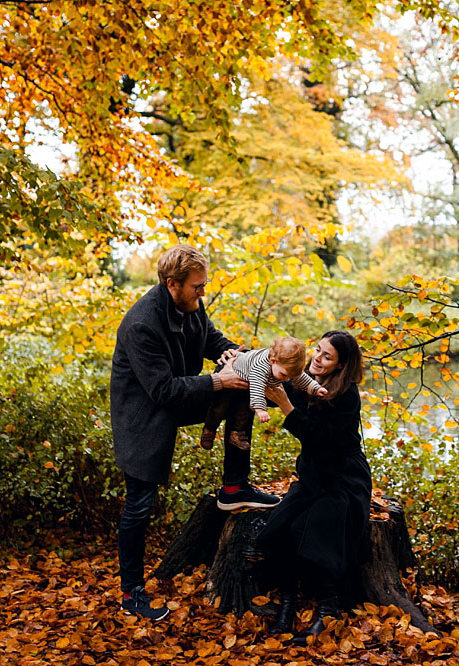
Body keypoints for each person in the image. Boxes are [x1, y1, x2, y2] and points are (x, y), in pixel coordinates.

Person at [110, 244, 280, 620]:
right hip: (143, 414)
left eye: (203, 286)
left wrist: (237, 355)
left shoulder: (190, 304)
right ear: (172, 284)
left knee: (241, 385)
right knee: (139, 504)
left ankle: (234, 488)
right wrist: (216, 381)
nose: (202, 293)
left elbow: (210, 340)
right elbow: (162, 391)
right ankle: (131, 593)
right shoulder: (141, 324)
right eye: (197, 287)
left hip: (182, 392)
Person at [256, 330, 370, 645]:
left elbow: (322, 442)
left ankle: (327, 608)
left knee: (309, 532)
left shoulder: (347, 394)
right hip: (313, 478)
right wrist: (245, 363)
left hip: (343, 479)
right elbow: (264, 383)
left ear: (341, 365)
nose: (317, 359)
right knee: (275, 531)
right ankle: (288, 605)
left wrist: (287, 408)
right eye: (317, 350)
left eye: (326, 356)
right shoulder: (302, 381)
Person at [200, 336, 328, 452]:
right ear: (273, 361)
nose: (286, 379)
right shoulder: (260, 367)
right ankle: (209, 429)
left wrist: (315, 388)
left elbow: (300, 377)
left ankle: (236, 434)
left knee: (242, 412)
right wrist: (260, 409)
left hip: (244, 386)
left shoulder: (285, 366)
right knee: (219, 408)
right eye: (283, 375)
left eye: (289, 376)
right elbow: (257, 386)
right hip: (230, 377)